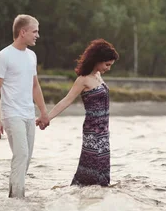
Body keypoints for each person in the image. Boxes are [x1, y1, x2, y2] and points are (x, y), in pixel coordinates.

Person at [43, 39, 119, 186]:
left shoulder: (98, 76)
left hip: (104, 132)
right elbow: (66, 100)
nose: (108, 68)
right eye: (107, 64)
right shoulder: (83, 79)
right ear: (97, 60)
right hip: (92, 131)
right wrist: (47, 117)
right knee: (90, 170)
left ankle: (96, 202)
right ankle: (77, 197)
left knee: (102, 174)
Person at [0, 14, 50, 198]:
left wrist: (44, 112)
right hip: (11, 114)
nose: (37, 35)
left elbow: (35, 86)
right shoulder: (4, 55)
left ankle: (14, 196)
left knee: (26, 158)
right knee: (22, 154)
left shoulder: (32, 56)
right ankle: (18, 199)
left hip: (28, 114)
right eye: (35, 31)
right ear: (22, 32)